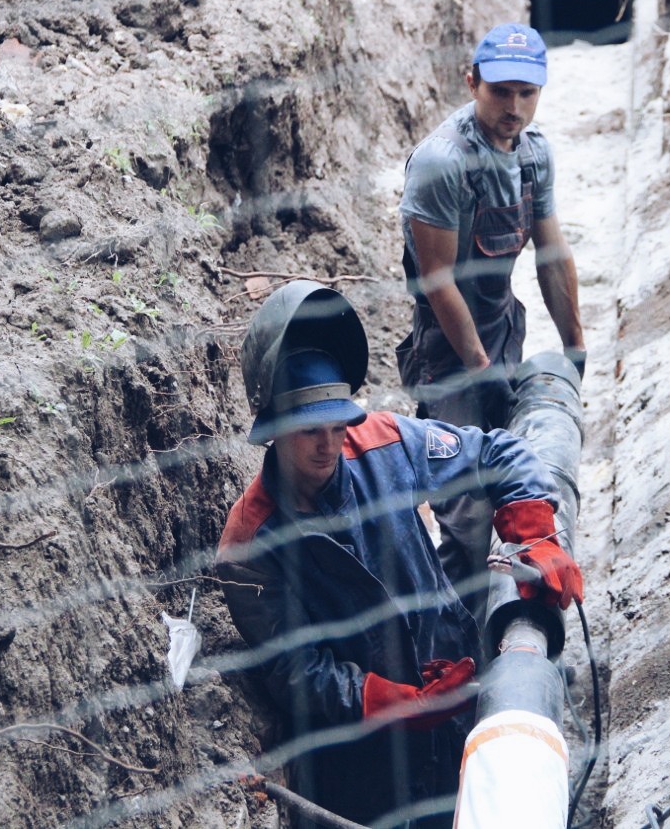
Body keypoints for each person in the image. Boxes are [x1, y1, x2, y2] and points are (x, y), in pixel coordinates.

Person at [216, 281, 583, 829]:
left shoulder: (383, 443)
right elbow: (296, 671)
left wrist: (534, 531)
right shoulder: (250, 546)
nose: (328, 446)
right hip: (360, 762)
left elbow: (496, 451)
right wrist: (397, 702)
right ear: (274, 430)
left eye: (338, 427)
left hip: (456, 692)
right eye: (310, 432)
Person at [395, 21, 586, 432]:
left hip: (503, 329)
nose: (514, 108)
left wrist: (575, 347)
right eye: (500, 91)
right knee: (462, 478)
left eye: (526, 93)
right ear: (472, 84)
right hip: (446, 352)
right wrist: (481, 372)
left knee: (511, 472)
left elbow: (552, 256)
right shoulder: (442, 163)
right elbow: (438, 279)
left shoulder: (533, 153)